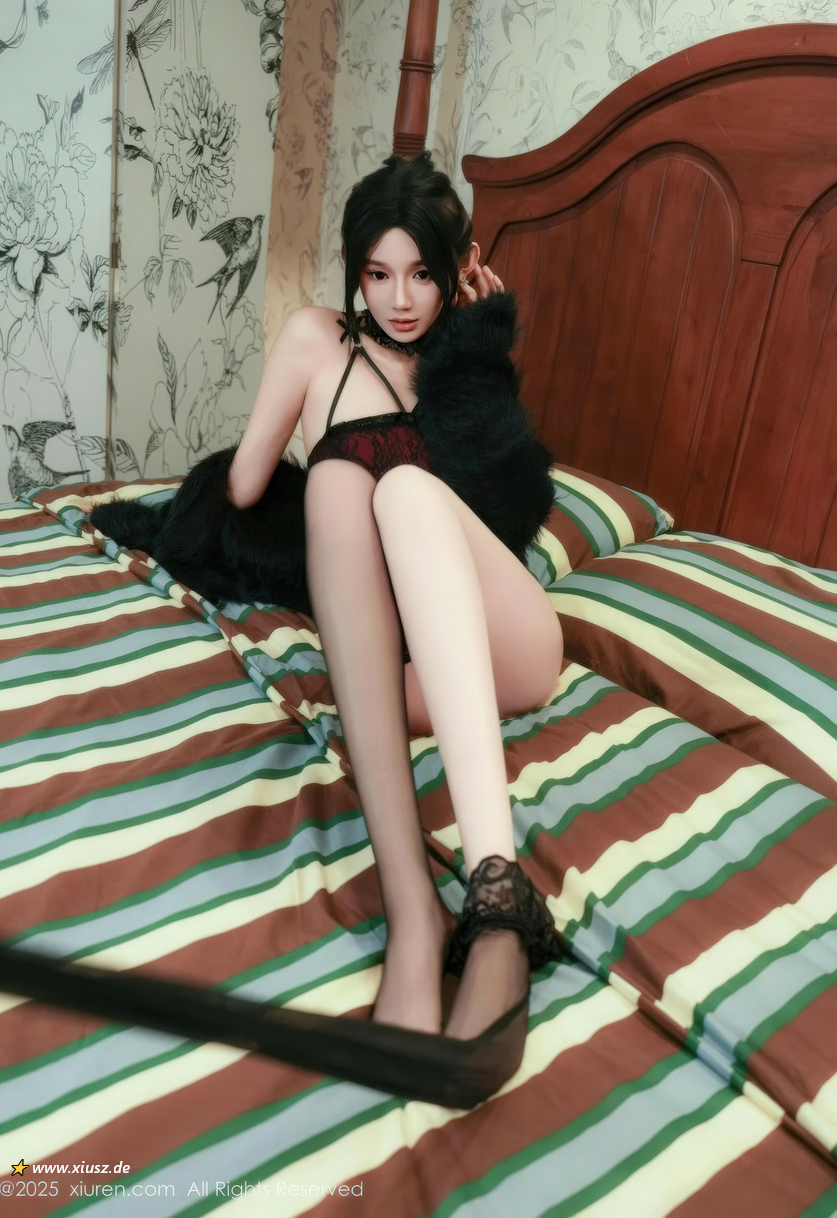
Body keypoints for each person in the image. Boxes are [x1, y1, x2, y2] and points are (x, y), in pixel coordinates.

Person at [225, 153, 563, 1069]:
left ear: (460, 268)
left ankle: (498, 901)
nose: (401, 299)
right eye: (378, 274)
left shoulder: (458, 357)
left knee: (402, 488)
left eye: (423, 274)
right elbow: (247, 485)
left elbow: (511, 514)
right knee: (339, 481)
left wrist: (480, 355)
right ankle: (414, 911)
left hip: (506, 642)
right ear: (354, 269)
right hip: (410, 660)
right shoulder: (314, 336)